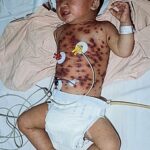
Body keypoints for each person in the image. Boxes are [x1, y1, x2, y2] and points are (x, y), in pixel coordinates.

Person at [17, 0, 134, 149]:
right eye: (58, 0)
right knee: (24, 122)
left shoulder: (104, 28)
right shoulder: (59, 31)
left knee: (111, 144)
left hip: (86, 109)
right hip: (56, 104)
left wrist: (125, 23)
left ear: (94, 3)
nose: (62, 4)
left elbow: (124, 50)